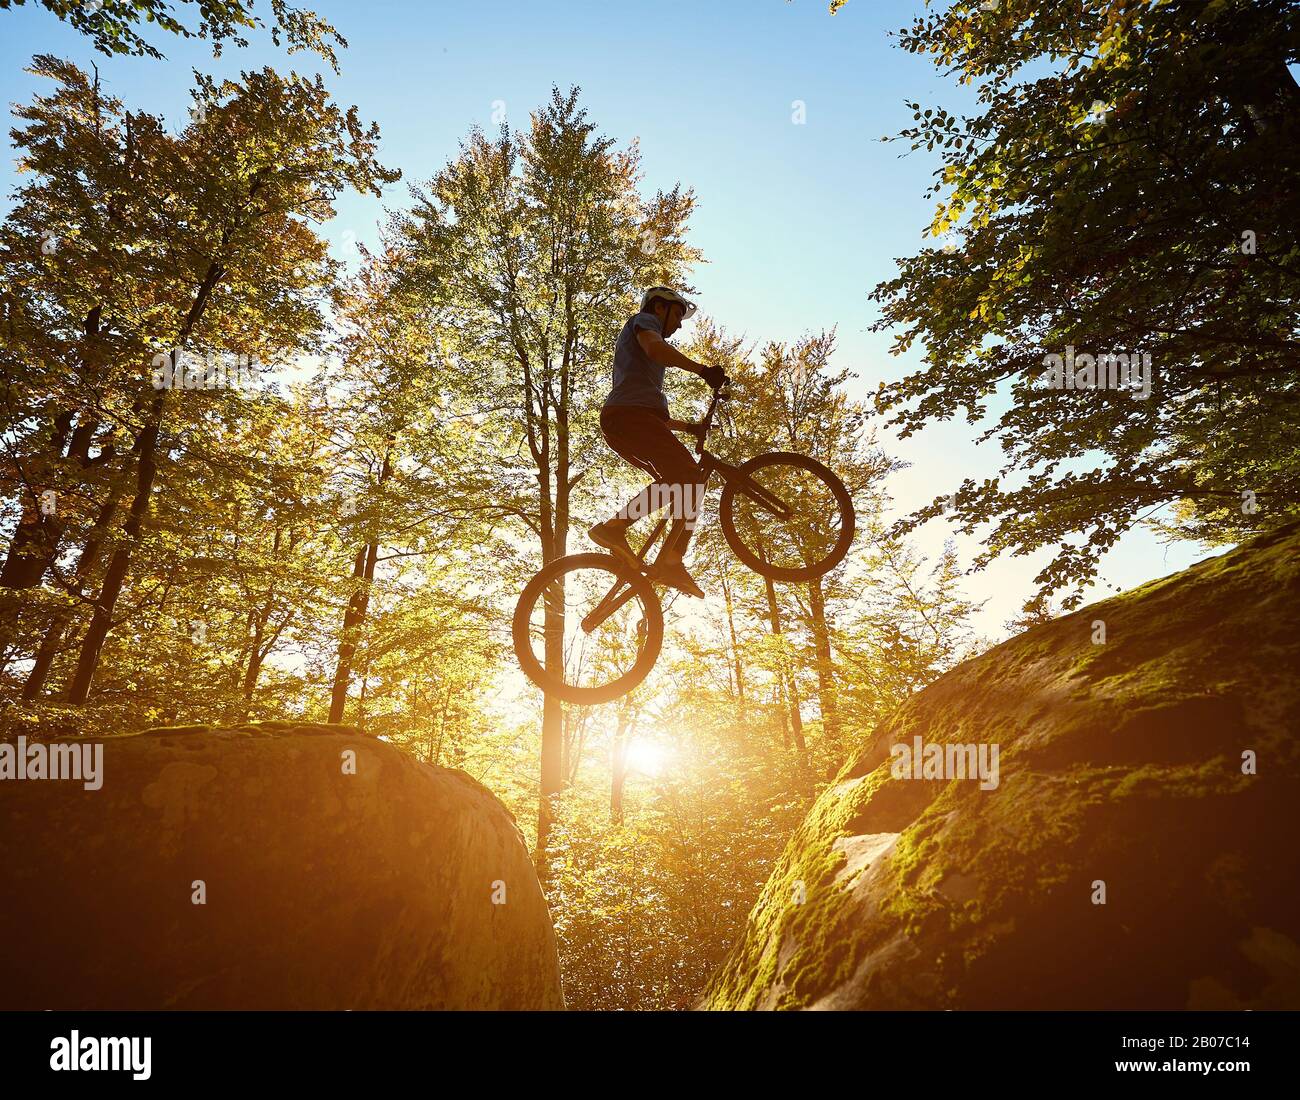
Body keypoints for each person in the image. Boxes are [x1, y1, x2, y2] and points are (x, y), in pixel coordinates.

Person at [588, 286, 727, 598]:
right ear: (659, 307)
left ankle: (665, 557)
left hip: (630, 420)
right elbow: (654, 349)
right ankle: (631, 539)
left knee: (682, 481)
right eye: (677, 314)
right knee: (688, 477)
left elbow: (655, 419)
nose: (678, 325)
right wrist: (703, 371)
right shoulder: (645, 322)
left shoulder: (648, 360)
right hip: (628, 418)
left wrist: (690, 428)